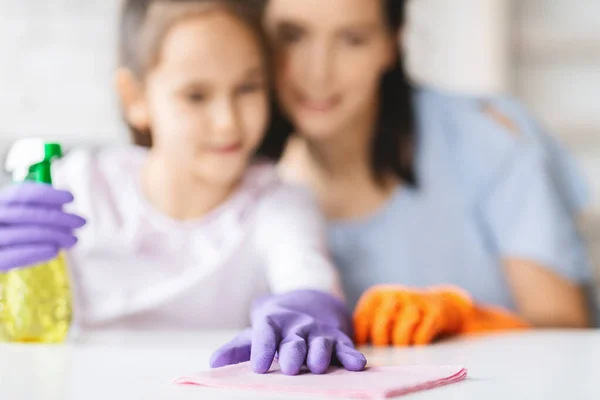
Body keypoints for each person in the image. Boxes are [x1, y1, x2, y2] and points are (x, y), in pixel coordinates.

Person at [0, 0, 366, 375]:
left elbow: (307, 272)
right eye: (196, 95)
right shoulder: (75, 188)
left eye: (247, 87)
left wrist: (309, 305)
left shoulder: (278, 203)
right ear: (135, 98)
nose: (227, 122)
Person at [259, 0, 593, 335]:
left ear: (392, 43)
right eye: (292, 36)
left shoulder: (485, 133)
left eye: (353, 39)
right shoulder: (248, 173)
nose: (318, 72)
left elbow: (566, 325)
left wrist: (466, 319)